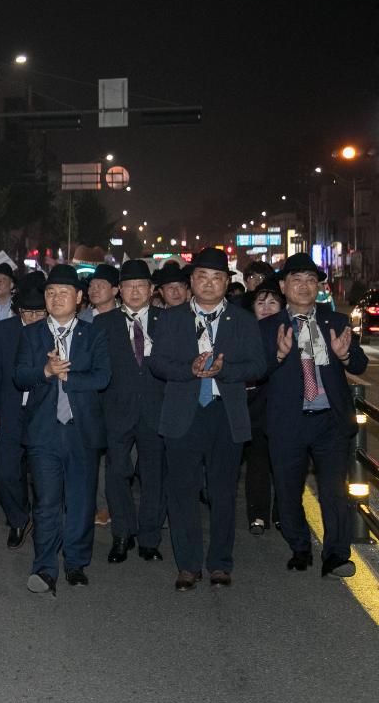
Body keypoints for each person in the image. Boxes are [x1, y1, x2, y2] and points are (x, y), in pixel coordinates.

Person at [148, 247, 265, 591]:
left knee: (223, 492)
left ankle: (219, 564)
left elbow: (259, 365)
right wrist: (189, 369)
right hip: (183, 415)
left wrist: (225, 370)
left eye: (217, 278)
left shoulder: (242, 319)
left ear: (227, 283)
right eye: (202, 277)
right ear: (191, 281)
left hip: (224, 414)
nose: (209, 284)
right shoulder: (171, 317)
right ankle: (187, 565)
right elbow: (157, 363)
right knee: (181, 491)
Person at [261, 252, 367, 578]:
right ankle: (300, 546)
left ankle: (336, 555)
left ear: (318, 286)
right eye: (296, 280)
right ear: (283, 285)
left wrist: (345, 354)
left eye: (311, 280)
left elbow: (360, 365)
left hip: (330, 421)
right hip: (287, 422)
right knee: (288, 489)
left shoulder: (336, 321)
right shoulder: (267, 327)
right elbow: (255, 370)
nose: (304, 286)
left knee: (334, 490)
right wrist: (277, 355)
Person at [14, 264, 110, 595]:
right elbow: (19, 376)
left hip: (82, 430)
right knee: (46, 501)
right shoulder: (31, 333)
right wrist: (45, 370)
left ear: (79, 298)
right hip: (44, 431)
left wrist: (68, 376)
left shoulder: (94, 333)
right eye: (51, 293)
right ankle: (44, 567)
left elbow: (103, 377)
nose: (56, 298)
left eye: (64, 293)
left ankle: (76, 562)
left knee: (81, 500)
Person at [94, 259, 167, 563]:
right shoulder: (103, 323)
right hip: (117, 410)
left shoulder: (168, 321)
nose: (135, 292)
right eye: (129, 286)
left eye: (141, 286)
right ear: (119, 291)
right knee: (116, 474)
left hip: (156, 409)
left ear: (151, 290)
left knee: (154, 476)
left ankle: (150, 538)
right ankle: (122, 534)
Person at [0, 273, 47, 549]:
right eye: (27, 312)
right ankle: (19, 518)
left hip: (43, 412)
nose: (32, 318)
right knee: (6, 474)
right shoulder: (3, 330)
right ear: (18, 310)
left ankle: (44, 521)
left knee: (43, 474)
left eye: (38, 313)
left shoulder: (51, 330)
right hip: (10, 411)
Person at [244, 284, 283, 534]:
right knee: (257, 462)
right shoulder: (246, 335)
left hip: (283, 410)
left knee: (284, 464)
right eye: (261, 303)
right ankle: (257, 515)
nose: (266, 308)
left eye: (272, 303)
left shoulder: (290, 332)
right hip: (254, 409)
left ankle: (282, 512)